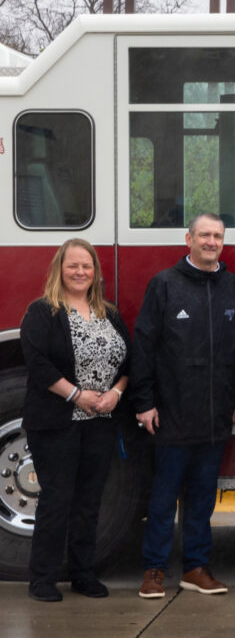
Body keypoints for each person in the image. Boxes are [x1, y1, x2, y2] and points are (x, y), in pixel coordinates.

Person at [132, 213, 235, 599]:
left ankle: (195, 568)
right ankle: (154, 571)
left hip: (215, 417)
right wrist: (144, 403)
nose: (211, 241)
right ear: (189, 239)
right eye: (204, 235)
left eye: (217, 236)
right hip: (172, 416)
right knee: (163, 499)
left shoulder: (232, 286)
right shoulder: (164, 285)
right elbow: (143, 348)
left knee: (201, 500)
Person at [20, 239, 130, 602]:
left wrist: (115, 392)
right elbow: (37, 364)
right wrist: (76, 394)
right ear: (59, 269)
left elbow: (128, 363)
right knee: (57, 499)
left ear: (96, 272)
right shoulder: (42, 312)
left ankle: (83, 574)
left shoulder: (109, 314)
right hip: (56, 421)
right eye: (73, 266)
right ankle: (43, 579)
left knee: (89, 500)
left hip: (100, 422)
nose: (80, 272)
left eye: (87, 266)